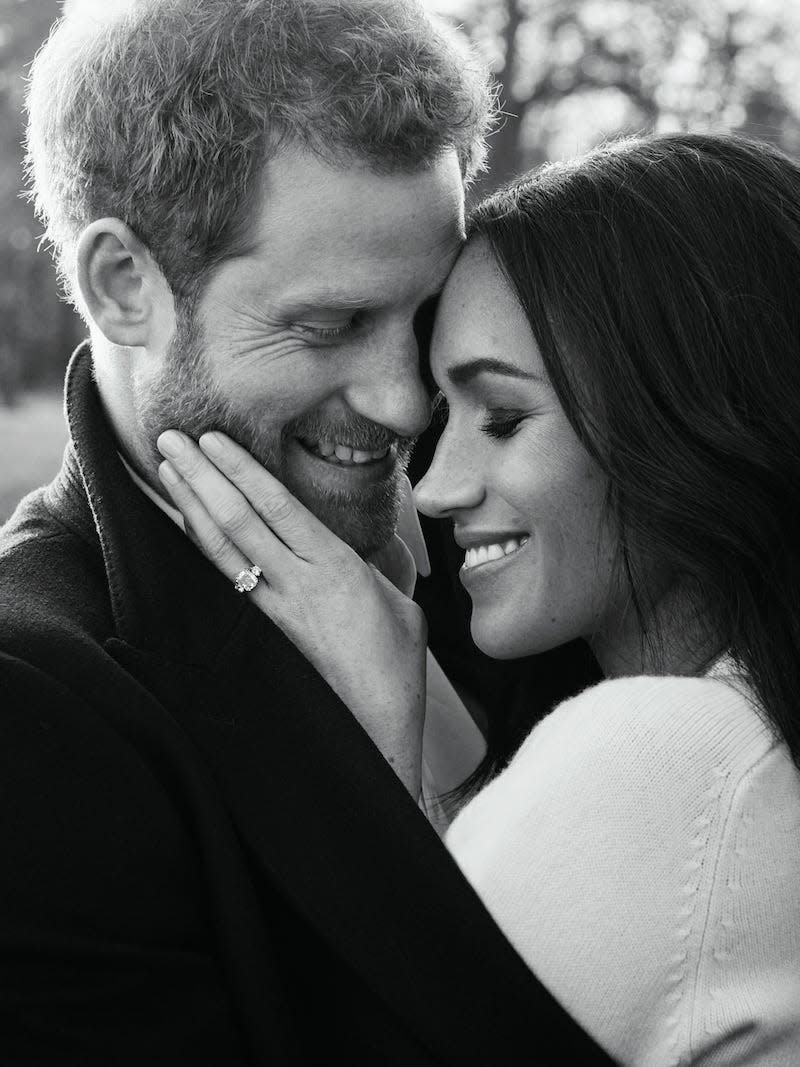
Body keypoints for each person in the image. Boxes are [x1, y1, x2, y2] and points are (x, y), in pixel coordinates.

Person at [0, 0, 616, 1062]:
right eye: (328, 325)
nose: (403, 404)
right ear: (124, 285)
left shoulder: (514, 520)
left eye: (421, 317)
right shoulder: (34, 707)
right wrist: (382, 791)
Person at [159, 131, 800, 1065]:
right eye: (443, 414)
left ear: (692, 418)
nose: (432, 486)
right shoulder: (751, 739)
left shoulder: (665, 761)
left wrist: (379, 742)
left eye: (502, 417)